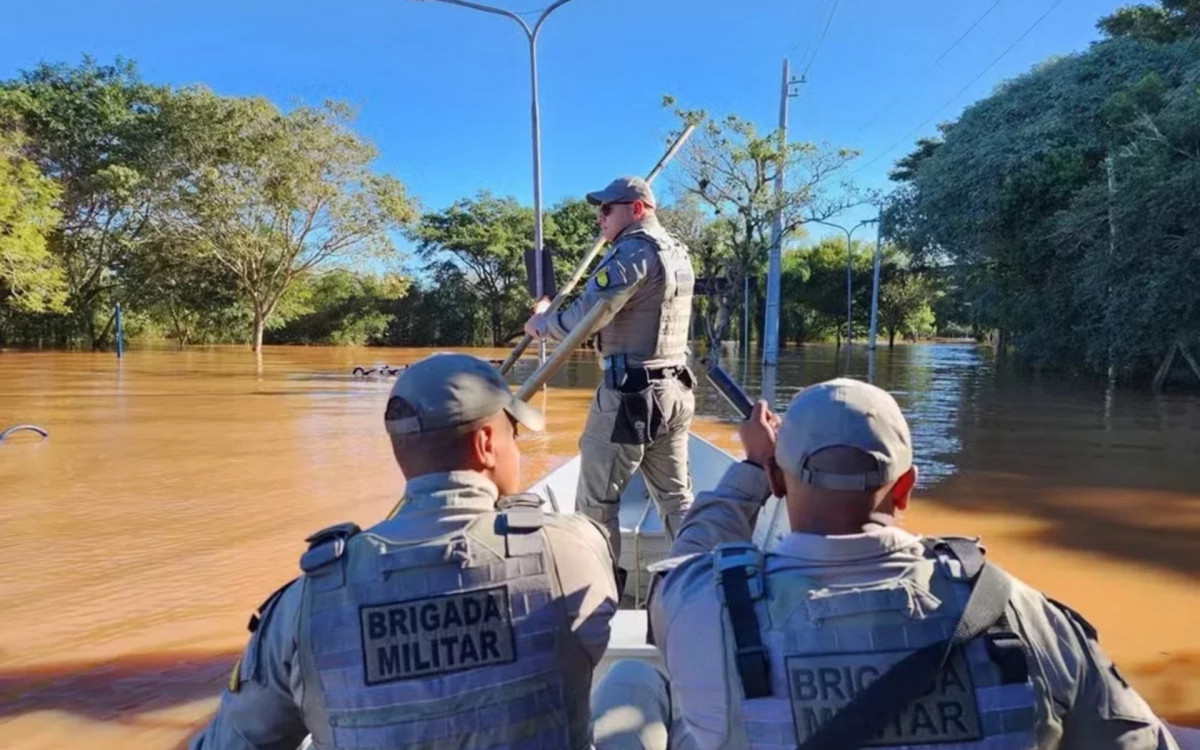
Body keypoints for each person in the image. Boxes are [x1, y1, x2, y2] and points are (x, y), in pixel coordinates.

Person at [591, 378, 1182, 750]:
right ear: (907, 488)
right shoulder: (1019, 610)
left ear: (776, 480)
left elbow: (691, 552)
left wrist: (751, 470)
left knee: (634, 682)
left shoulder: (705, 606)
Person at [189, 353, 619, 750]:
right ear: (486, 444)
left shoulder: (304, 601)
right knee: (633, 680)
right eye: (515, 435)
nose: (517, 449)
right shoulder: (569, 549)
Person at [524, 175, 696, 587]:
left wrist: (544, 322)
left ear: (637, 209)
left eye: (607, 209)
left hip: (629, 396)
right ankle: (700, 579)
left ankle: (600, 590)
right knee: (676, 499)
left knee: (596, 503)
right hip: (674, 390)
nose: (600, 218)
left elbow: (587, 319)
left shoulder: (633, 253)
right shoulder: (677, 252)